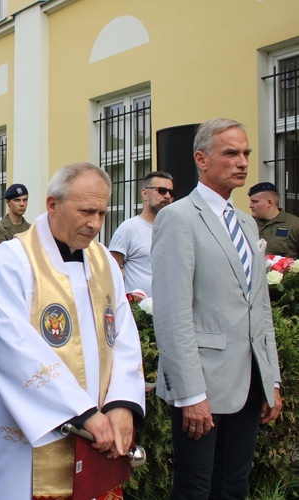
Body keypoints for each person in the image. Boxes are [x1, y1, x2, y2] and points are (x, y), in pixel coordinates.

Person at [0, 162, 145, 500]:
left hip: (100, 429)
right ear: (53, 204)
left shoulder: (104, 261)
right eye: (85, 211)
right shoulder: (12, 259)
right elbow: (15, 347)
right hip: (29, 448)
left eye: (101, 213)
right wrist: (82, 414)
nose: (95, 224)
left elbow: (123, 336)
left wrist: (122, 405)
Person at [151, 118, 282, 499]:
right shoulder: (178, 219)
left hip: (249, 380)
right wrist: (190, 393)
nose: (242, 162)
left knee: (234, 485)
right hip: (202, 385)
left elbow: (259, 306)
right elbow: (173, 314)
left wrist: (270, 379)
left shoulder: (245, 222)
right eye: (231, 153)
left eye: (246, 154)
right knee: (196, 488)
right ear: (201, 159)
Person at [109, 171, 175, 296]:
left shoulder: (175, 229)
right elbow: (111, 270)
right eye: (161, 190)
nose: (167, 196)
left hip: (170, 309)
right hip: (139, 313)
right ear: (144, 193)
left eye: (171, 192)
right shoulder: (129, 228)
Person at [248, 181, 299, 259]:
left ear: (269, 202)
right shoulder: (248, 224)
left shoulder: (294, 225)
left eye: (255, 202)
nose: (250, 206)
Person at [0, 183, 30, 247]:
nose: (22, 204)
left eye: (25, 200)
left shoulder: (30, 229)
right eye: (17, 200)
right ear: (8, 203)